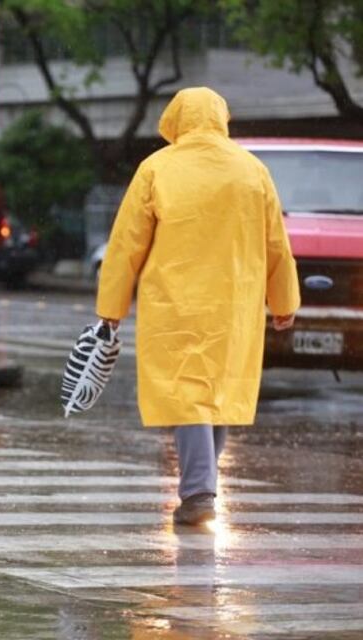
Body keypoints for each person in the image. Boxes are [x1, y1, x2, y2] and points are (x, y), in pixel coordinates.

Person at [95, 87, 300, 525]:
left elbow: (125, 246)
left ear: (175, 119)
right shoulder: (252, 171)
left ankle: (199, 492)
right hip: (234, 302)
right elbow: (276, 245)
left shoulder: (156, 169)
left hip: (175, 302)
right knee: (215, 393)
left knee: (190, 394)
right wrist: (284, 300)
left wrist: (111, 308)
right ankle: (201, 489)